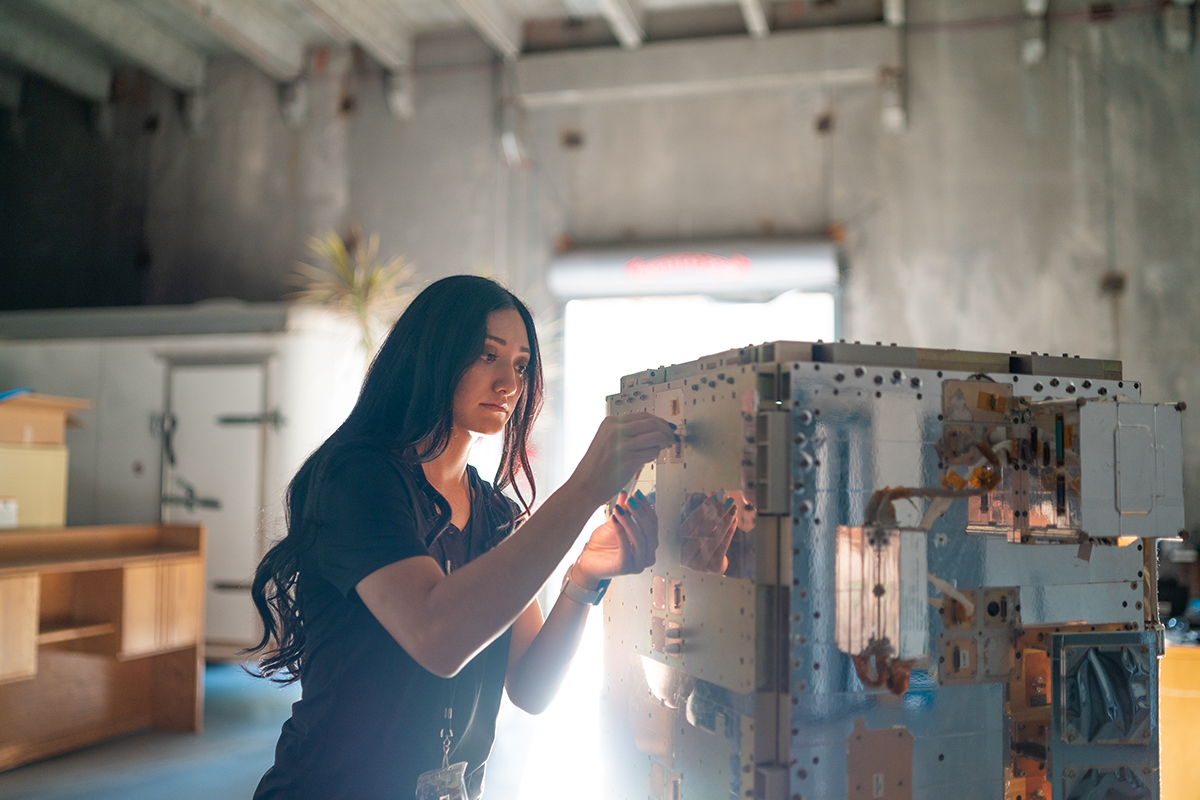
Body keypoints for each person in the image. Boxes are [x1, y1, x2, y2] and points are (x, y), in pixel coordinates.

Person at [248, 275, 675, 799]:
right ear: (433, 356)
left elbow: (532, 687)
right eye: (486, 356)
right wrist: (585, 488)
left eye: (520, 365)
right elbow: (437, 636)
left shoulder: (494, 514)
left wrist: (583, 577)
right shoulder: (358, 479)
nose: (509, 384)